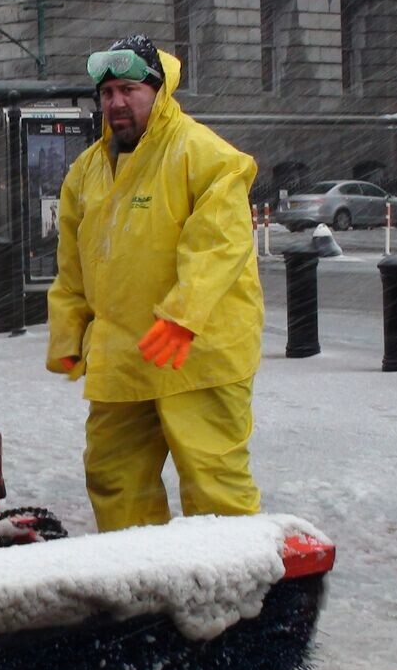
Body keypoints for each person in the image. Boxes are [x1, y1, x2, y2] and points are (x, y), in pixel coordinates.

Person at [46, 35, 265, 533]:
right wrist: (68, 334)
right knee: (115, 480)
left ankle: (237, 599)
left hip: (199, 355)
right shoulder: (87, 173)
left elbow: (217, 245)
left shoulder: (204, 155)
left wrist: (183, 317)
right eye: (107, 94)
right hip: (125, 354)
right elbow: (72, 268)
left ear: (159, 91)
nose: (116, 103)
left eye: (129, 90)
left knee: (214, 487)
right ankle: (142, 590)